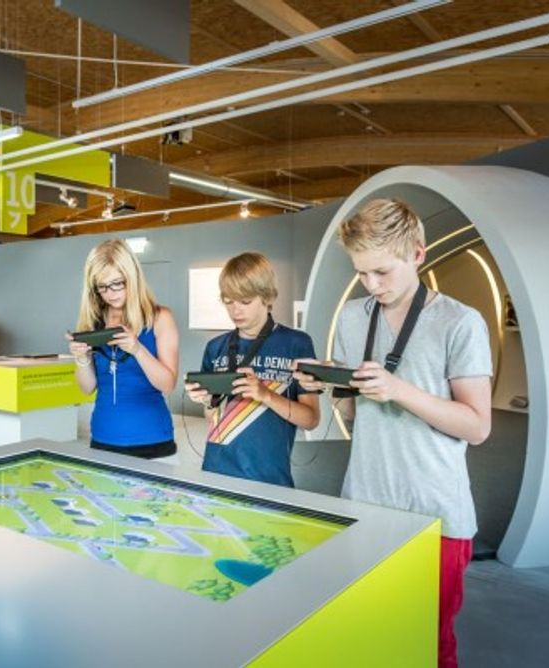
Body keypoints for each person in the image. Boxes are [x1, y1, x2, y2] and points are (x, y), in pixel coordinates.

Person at [295, 198, 492, 668]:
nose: (371, 285)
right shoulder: (352, 317)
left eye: (382, 272)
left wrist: (399, 389)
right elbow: (353, 410)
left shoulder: (460, 322)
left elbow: (477, 425)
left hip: (435, 514)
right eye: (361, 273)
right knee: (368, 634)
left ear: (418, 254)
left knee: (428, 643)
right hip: (363, 502)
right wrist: (329, 383)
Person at [185, 252, 320, 486]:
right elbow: (212, 417)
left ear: (267, 297)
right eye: (228, 301)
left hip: (268, 476)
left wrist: (265, 395)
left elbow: (311, 419)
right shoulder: (215, 347)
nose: (235, 310)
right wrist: (207, 401)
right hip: (215, 471)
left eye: (245, 301)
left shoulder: (296, 343)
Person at [67, 238, 179, 459]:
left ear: (132, 277)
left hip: (153, 440)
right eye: (102, 287)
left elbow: (168, 384)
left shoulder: (160, 318)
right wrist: (81, 358)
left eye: (117, 283)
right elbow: (87, 388)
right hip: (103, 437)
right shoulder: (93, 322)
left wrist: (137, 350)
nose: (110, 293)